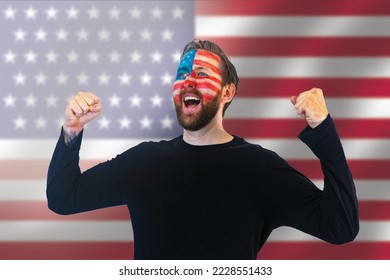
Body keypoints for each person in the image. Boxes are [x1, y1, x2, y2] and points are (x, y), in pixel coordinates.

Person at [47, 39, 359, 260]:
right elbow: (63, 199)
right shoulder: (144, 162)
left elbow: (340, 227)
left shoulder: (260, 169)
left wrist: (324, 129)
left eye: (201, 75)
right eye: (181, 76)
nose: (187, 83)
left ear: (227, 92)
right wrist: (72, 131)